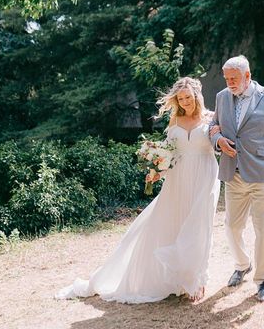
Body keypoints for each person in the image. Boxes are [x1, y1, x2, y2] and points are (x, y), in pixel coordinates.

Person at [55, 77, 220, 303]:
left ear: (197, 96)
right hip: (178, 180)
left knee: (200, 226)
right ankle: (178, 280)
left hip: (206, 176)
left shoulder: (211, 119)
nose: (185, 102)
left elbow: (221, 143)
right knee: (175, 224)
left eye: (188, 98)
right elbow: (170, 154)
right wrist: (157, 170)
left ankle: (197, 280)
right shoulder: (175, 121)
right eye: (180, 99)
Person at [210, 55, 264, 302]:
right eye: (226, 78)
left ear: (247, 76)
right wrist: (217, 140)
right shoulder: (221, 97)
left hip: (263, 175)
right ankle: (242, 264)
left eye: (234, 78)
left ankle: (263, 281)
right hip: (233, 175)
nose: (229, 83)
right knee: (231, 227)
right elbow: (213, 126)